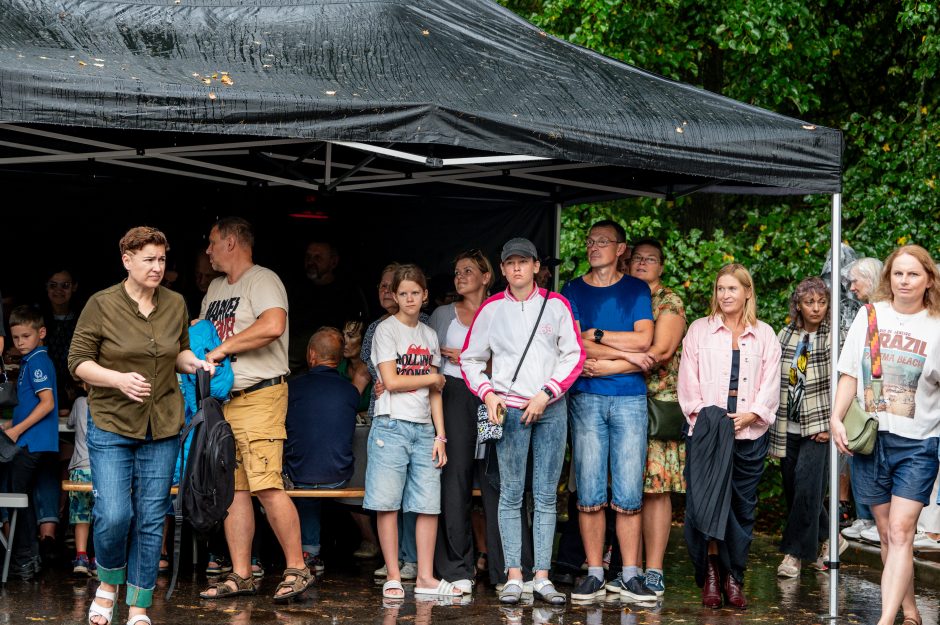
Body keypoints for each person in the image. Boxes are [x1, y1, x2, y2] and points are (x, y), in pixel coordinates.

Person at [68, 226, 212, 625]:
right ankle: (109, 583)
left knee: (151, 518)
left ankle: (138, 606)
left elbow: (178, 353)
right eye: (148, 259)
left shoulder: (175, 303)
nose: (156, 267)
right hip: (112, 423)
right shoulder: (101, 304)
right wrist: (117, 378)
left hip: (162, 424)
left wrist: (195, 364)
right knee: (114, 514)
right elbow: (77, 361)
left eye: (162, 259)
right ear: (126, 260)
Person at [462, 237, 585, 605]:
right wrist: (488, 393)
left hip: (549, 406)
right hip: (509, 410)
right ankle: (514, 575)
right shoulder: (490, 309)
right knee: (511, 495)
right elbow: (470, 359)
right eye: (510, 262)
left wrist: (547, 393)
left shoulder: (557, 305)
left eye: (523, 261)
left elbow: (574, 355)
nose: (516, 268)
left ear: (536, 267)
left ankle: (543, 577)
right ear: (501, 270)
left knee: (546, 495)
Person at [197, 216, 313, 602]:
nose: (208, 251)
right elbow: (204, 336)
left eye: (213, 242)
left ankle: (297, 568)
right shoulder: (214, 288)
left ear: (231, 242)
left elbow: (274, 324)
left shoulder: (263, 279)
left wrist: (223, 348)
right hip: (224, 402)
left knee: (266, 484)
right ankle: (242, 574)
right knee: (234, 491)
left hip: (260, 396)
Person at [831, 245, 940, 625]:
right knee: (887, 534)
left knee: (900, 528)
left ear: (928, 280)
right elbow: (849, 374)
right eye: (898, 273)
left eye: (913, 274)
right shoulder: (869, 315)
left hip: (919, 443)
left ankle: (886, 619)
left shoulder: (937, 324)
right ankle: (911, 613)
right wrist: (836, 417)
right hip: (871, 441)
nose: (905, 281)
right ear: (888, 278)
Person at [561, 221, 655, 602]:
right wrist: (629, 354)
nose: (593, 247)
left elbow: (645, 339)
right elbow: (575, 345)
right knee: (589, 490)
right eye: (590, 241)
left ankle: (630, 576)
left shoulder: (636, 288)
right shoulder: (572, 289)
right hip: (585, 397)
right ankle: (595, 573)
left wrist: (599, 338)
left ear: (621, 249)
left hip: (630, 398)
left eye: (602, 241)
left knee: (630, 490)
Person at [678, 263, 781, 609]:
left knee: (742, 508)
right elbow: (687, 383)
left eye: (732, 289)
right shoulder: (698, 331)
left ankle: (734, 577)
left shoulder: (765, 335)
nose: (725, 295)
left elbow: (771, 384)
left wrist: (752, 414)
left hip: (750, 434)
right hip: (707, 435)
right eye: (720, 289)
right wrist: (713, 422)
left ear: (748, 292)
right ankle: (709, 576)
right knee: (705, 506)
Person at [365, 264, 459, 600]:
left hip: (423, 428)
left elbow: (436, 394)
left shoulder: (429, 335)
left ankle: (424, 577)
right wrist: (432, 377)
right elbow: (390, 381)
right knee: (387, 503)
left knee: (427, 504)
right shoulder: (386, 331)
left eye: (414, 293)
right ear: (394, 295)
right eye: (402, 293)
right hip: (391, 425)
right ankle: (393, 575)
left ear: (424, 296)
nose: (409, 299)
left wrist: (441, 435)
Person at [427, 249, 494, 594]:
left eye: (468, 270)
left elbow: (515, 361)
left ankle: (502, 568)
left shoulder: (500, 311)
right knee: (455, 481)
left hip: (493, 396)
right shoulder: (442, 314)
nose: (460, 276)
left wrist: (473, 357)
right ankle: (457, 568)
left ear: (486, 276)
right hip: (453, 394)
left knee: (495, 480)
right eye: (456, 271)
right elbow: (429, 359)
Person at [771, 277, 844, 578]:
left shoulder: (835, 335)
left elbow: (845, 380)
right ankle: (832, 536)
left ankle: (794, 556)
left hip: (820, 423)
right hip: (787, 423)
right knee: (794, 488)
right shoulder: (785, 334)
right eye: (809, 302)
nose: (816, 308)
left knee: (807, 486)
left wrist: (834, 421)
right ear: (798, 305)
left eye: (822, 302)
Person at [627, 238, 687, 598]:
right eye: (637, 258)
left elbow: (660, 351)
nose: (643, 264)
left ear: (661, 267)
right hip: (619, 397)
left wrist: (608, 354)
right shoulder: (620, 294)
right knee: (621, 487)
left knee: (655, 489)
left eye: (651, 259)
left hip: (656, 407)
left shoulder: (668, 301)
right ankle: (625, 567)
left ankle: (654, 570)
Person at [361, 263, 421, 580]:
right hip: (384, 413)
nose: (386, 292)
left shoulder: (421, 325)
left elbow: (406, 374)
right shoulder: (375, 328)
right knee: (387, 494)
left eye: (391, 286)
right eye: (382, 287)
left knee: (414, 495)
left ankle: (411, 557)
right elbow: (373, 375)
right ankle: (393, 558)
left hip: (416, 416)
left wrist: (396, 379)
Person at [286, 327, 360, 578]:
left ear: (311, 355)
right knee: (316, 468)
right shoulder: (350, 391)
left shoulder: (291, 389)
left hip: (301, 476)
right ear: (339, 359)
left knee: (302, 473)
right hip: (339, 475)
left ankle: (308, 552)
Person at [3, 305, 59, 581]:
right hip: (32, 440)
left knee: (17, 499)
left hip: (31, 442)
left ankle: (25, 559)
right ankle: (30, 559)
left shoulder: (38, 362)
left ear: (41, 333)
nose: (20, 342)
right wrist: (10, 425)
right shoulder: (31, 360)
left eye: (26, 336)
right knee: (24, 498)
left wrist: (16, 431)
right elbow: (29, 404)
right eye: (15, 338)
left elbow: (47, 404)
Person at [841, 256, 884, 541]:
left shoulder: (879, 313)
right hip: (863, 399)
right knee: (860, 453)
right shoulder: (864, 313)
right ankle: (865, 517)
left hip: (883, 403)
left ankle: (870, 518)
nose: (851, 287)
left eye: (856, 280)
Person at [288, 240, 369, 373]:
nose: (311, 262)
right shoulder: (296, 289)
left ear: (333, 262)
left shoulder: (347, 292)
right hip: (295, 366)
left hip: (333, 364)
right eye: (308, 257)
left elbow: (357, 327)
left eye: (317, 258)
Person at [41, 268, 81, 415]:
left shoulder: (82, 318)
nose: (58, 290)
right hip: (44, 383)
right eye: (53, 285)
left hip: (76, 385)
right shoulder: (37, 317)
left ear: (74, 287)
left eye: (65, 285)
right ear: (46, 287)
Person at [66, 383, 96, 577]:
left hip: (80, 468)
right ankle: (99, 559)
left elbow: (69, 424)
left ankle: (81, 557)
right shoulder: (113, 404)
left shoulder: (79, 402)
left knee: (81, 516)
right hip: (103, 469)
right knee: (101, 516)